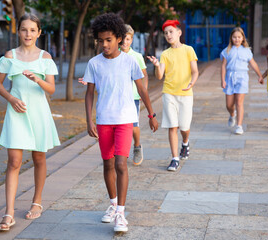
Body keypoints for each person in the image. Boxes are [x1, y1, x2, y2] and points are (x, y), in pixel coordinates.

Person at [83, 13, 158, 232]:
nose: (104, 44)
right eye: (100, 40)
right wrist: (89, 120)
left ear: (118, 38)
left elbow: (142, 88)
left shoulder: (129, 61)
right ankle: (113, 205)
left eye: (108, 40)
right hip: (104, 120)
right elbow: (89, 94)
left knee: (120, 164)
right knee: (107, 164)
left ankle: (121, 215)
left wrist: (151, 115)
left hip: (125, 119)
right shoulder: (94, 64)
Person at [0, 13, 60, 231]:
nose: (28, 34)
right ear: (18, 31)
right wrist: (11, 99)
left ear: (39, 33)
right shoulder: (10, 56)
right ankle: (9, 213)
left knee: (39, 157)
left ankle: (37, 201)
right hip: (16, 113)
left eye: (32, 30)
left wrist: (37, 78)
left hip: (39, 113)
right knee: (13, 161)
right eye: (24, 29)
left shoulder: (46, 58)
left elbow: (51, 88)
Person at [147, 19, 199, 172]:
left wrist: (192, 83)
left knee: (184, 126)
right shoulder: (165, 54)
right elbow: (159, 76)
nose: (168, 35)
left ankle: (185, 142)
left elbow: (195, 71)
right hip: (168, 93)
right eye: (165, 33)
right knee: (172, 126)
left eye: (171, 32)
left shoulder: (189, 50)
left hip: (185, 94)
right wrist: (157, 66)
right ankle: (174, 159)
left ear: (179, 33)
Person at [220, 27, 263, 135]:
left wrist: (260, 75)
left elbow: (253, 63)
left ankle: (239, 126)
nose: (237, 39)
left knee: (239, 102)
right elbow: (223, 66)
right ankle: (232, 115)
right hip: (230, 78)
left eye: (239, 37)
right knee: (229, 105)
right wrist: (222, 80)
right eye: (234, 37)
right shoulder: (227, 51)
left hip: (242, 78)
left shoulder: (247, 51)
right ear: (231, 38)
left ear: (243, 38)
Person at [120, 24, 148, 166]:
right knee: (119, 125)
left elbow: (144, 75)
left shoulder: (137, 56)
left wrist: (144, 92)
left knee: (133, 125)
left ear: (131, 40)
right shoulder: (113, 55)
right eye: (123, 39)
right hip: (118, 97)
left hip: (133, 97)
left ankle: (137, 146)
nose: (125, 42)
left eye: (128, 39)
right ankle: (120, 152)